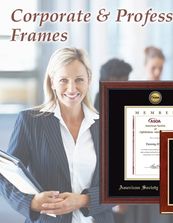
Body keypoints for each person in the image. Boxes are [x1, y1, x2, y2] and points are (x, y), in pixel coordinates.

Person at [0, 47, 114, 223]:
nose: (72, 88)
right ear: (52, 81)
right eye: (63, 80)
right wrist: (31, 202)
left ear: (89, 80)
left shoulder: (107, 124)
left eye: (79, 80)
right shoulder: (30, 122)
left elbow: (121, 185)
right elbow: (7, 177)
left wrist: (83, 200)